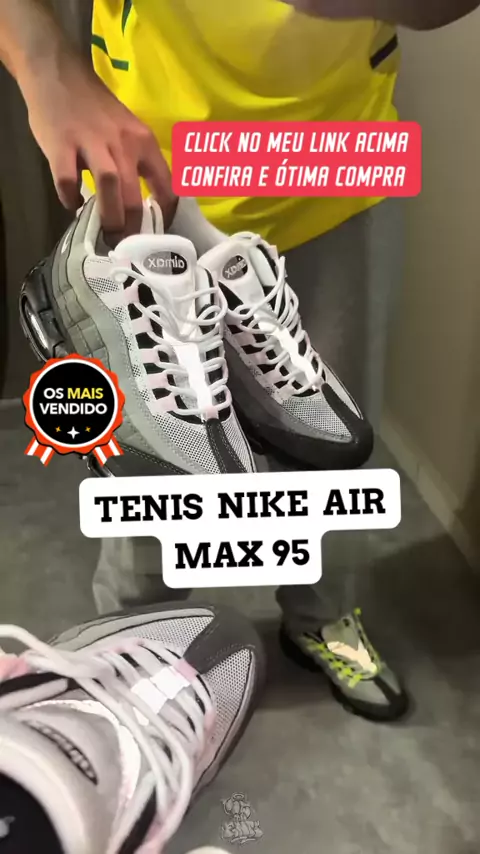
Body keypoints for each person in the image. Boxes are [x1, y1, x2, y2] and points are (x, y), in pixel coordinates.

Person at [1, 0, 477, 723]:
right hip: (148, 163)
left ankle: (324, 617)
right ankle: (135, 637)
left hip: (337, 157)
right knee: (157, 458)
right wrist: (47, 64)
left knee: (336, 446)